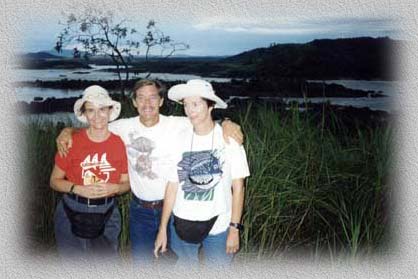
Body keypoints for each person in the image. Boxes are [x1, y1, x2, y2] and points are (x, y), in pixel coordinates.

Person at [56, 79, 244, 264]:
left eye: (153, 97)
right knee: (142, 263)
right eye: (141, 98)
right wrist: (67, 130)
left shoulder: (179, 124)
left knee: (172, 263)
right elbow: (94, 126)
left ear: (161, 101)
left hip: (173, 210)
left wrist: (228, 122)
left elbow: (206, 121)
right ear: (134, 102)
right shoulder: (122, 127)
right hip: (140, 211)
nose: (147, 103)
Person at [154, 79, 250, 267]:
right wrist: (163, 228)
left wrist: (234, 229)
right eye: (187, 104)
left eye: (196, 104)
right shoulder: (179, 139)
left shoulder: (229, 139)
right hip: (182, 222)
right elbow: (172, 186)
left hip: (219, 225)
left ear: (210, 105)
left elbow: (238, 188)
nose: (190, 110)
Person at [50, 85, 130, 257]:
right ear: (85, 114)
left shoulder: (119, 144)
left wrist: (115, 188)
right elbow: (54, 181)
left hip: (107, 212)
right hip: (71, 210)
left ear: (110, 111)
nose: (97, 116)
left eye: (102, 109)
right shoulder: (71, 142)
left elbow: (126, 183)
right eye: (91, 110)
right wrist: (77, 188)